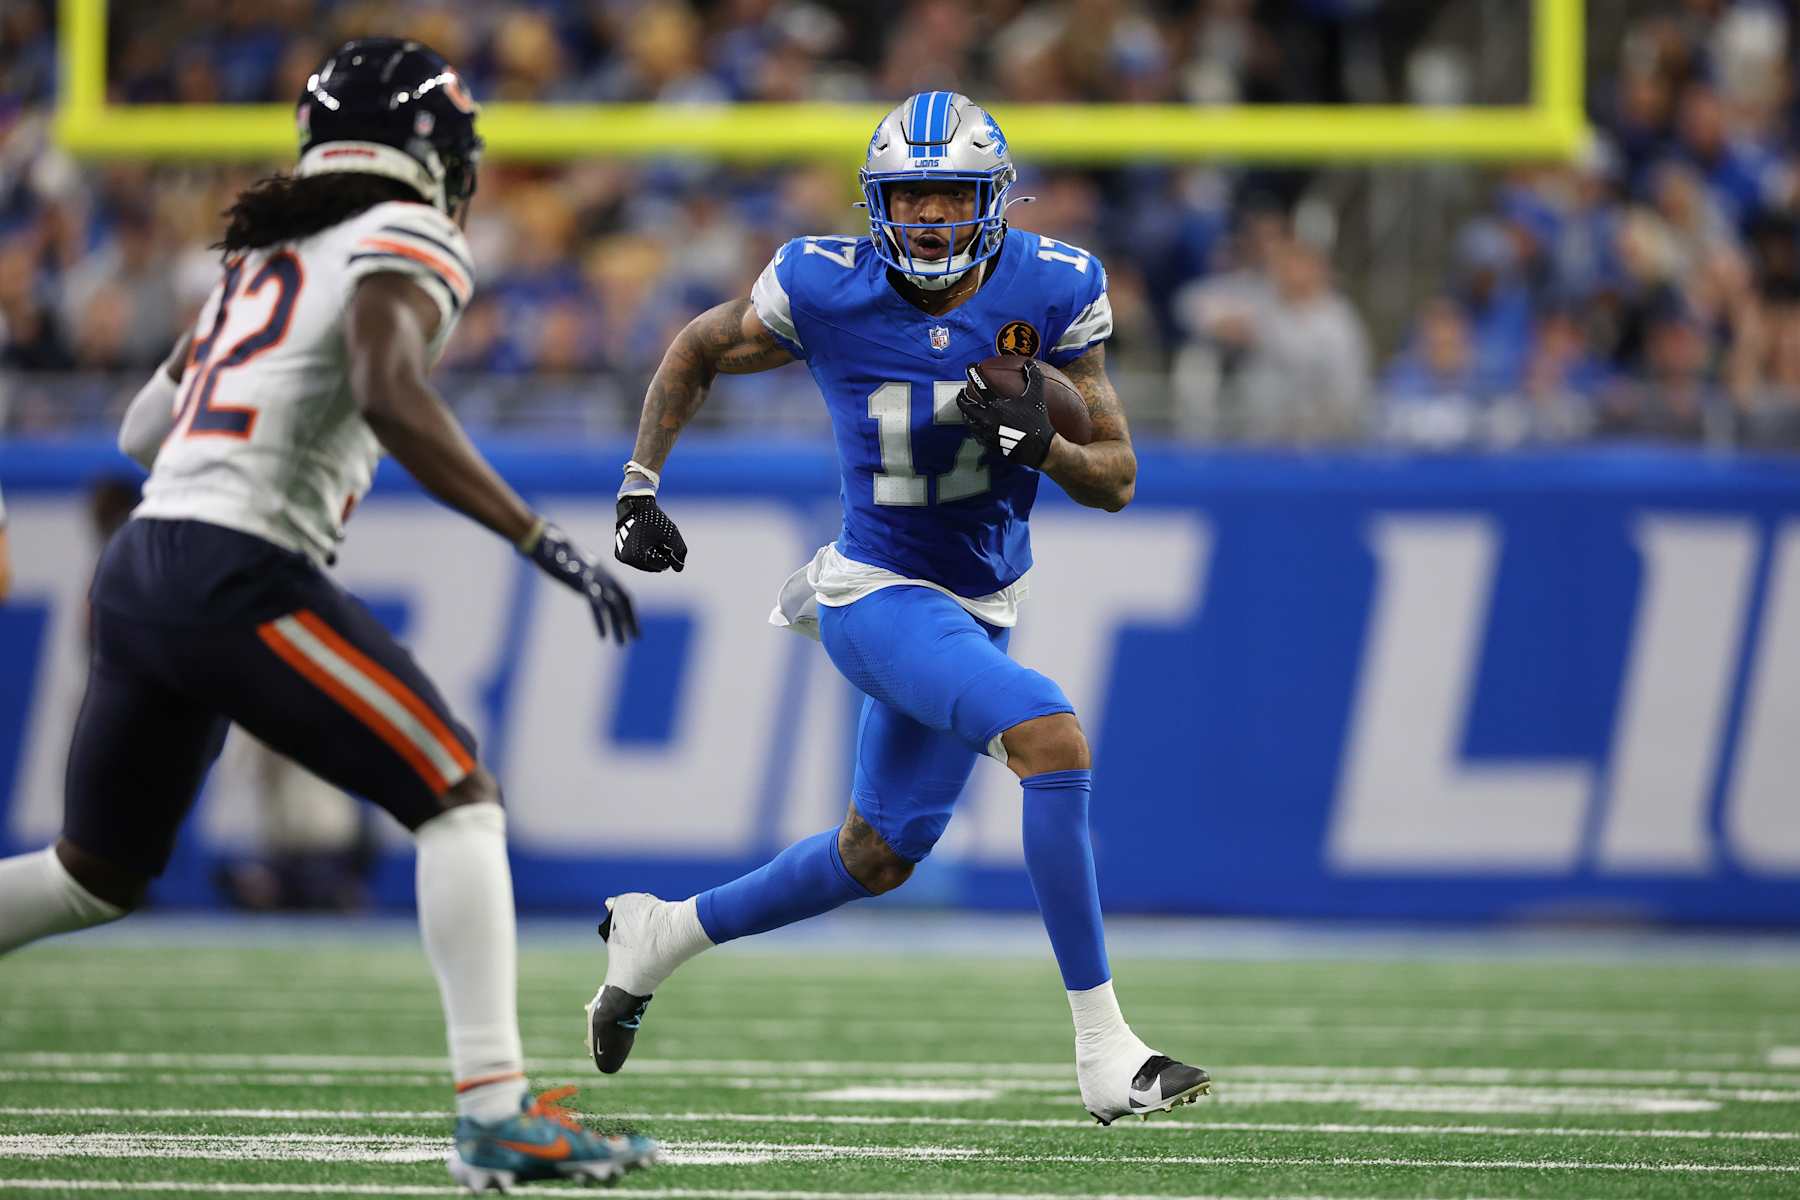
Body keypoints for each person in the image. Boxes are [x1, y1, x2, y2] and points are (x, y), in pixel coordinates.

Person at [0, 39, 653, 1193]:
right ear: (434, 154)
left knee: (93, 873)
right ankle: (496, 1114)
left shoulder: (265, 253)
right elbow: (389, 389)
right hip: (233, 568)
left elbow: (141, 432)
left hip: (144, 564)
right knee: (458, 797)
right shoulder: (407, 234)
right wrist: (530, 533)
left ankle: (498, 1114)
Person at [587, 91, 1211, 1126]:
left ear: (993, 200)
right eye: (909, 195)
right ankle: (1107, 1054)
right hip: (874, 591)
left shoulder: (1055, 286)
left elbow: (1116, 477)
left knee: (875, 855)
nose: (926, 216)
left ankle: (661, 935)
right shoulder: (822, 285)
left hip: (979, 602)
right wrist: (638, 486)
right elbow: (696, 347)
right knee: (1051, 738)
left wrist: (1041, 444)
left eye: (949, 195)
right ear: (876, 202)